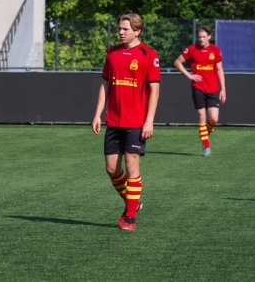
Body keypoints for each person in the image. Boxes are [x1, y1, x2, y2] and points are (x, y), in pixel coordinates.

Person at [91, 13, 160, 231]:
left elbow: (154, 89)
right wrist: (97, 114)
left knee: (132, 167)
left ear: (137, 31)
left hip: (136, 121)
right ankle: (133, 202)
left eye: (125, 29)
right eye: (120, 29)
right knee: (112, 169)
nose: (121, 32)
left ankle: (130, 217)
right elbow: (105, 85)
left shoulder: (148, 54)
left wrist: (149, 120)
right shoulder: (112, 53)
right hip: (114, 120)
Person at [174, 25, 226, 157]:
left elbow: (220, 70)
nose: (201, 39)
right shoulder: (192, 49)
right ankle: (206, 146)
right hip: (198, 88)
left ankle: (204, 135)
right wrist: (189, 75)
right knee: (202, 117)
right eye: (199, 37)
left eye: (204, 37)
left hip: (213, 88)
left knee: (214, 119)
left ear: (209, 37)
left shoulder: (215, 50)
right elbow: (177, 62)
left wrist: (223, 89)